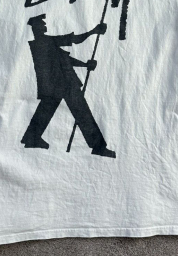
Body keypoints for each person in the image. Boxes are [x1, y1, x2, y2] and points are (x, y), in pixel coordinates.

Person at [21, 13, 116, 158]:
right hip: (63, 84)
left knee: (44, 112)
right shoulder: (45, 42)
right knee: (82, 113)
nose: (44, 26)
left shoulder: (46, 43)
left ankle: (32, 138)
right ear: (36, 28)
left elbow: (65, 59)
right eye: (41, 25)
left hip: (53, 85)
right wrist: (93, 31)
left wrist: (85, 65)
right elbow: (74, 39)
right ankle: (98, 147)